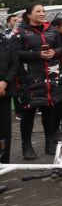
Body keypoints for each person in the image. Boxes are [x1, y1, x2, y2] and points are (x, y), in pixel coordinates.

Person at [12, 4, 62, 158]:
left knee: (49, 110)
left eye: (43, 11)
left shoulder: (51, 30)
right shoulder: (20, 32)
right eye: (38, 11)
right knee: (29, 112)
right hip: (29, 78)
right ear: (29, 14)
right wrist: (38, 55)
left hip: (51, 77)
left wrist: (55, 51)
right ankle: (26, 146)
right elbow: (15, 53)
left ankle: (50, 142)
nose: (42, 13)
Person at [0, 29, 18, 164]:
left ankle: (4, 161)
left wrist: (5, 82)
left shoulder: (5, 41)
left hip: (4, 91)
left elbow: (14, 64)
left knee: (5, 129)